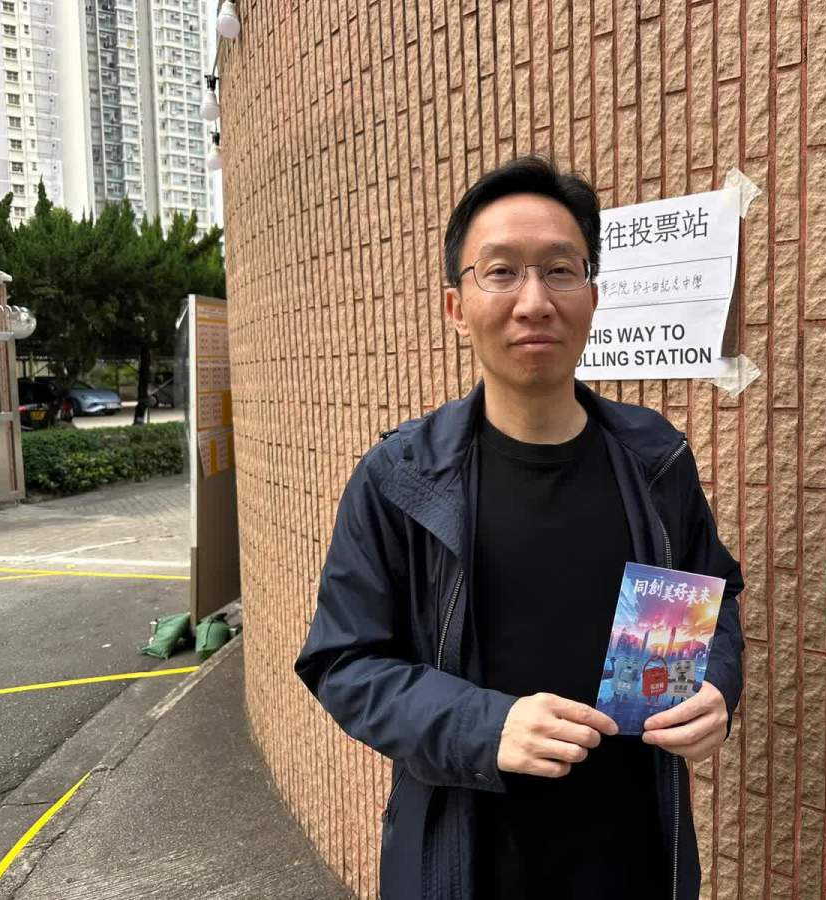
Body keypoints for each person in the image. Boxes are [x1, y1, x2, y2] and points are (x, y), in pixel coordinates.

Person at [295, 155, 745, 900]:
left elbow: (712, 594)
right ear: (456, 307)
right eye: (501, 272)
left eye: (560, 271)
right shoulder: (400, 478)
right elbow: (343, 662)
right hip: (465, 864)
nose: (534, 302)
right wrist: (487, 726)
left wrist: (717, 684)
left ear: (593, 297)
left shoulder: (654, 460)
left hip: (636, 857)